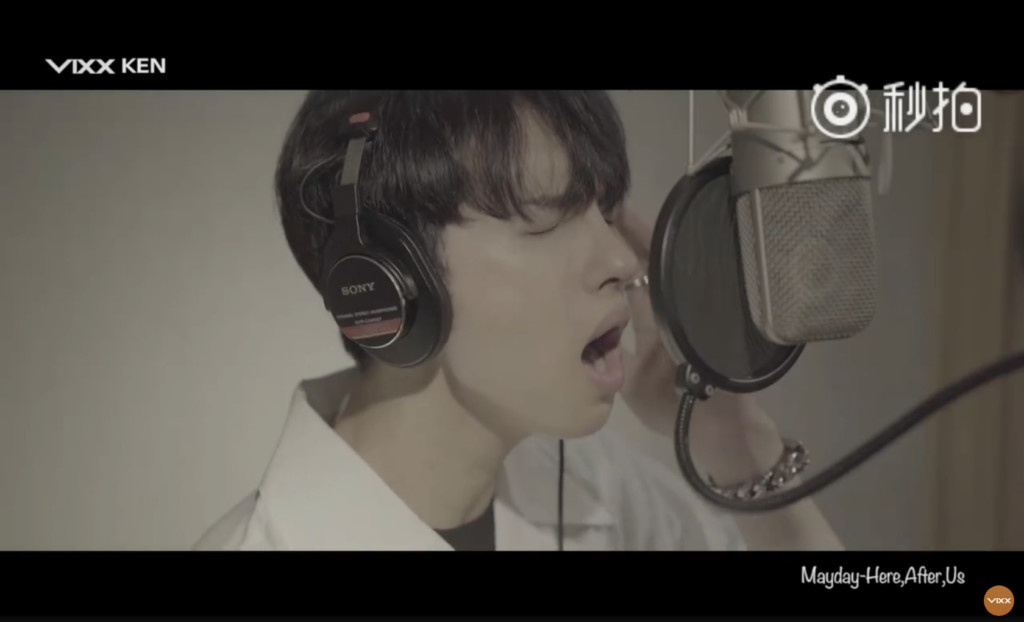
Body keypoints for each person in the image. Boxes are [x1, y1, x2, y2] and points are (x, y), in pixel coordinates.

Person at [194, 90, 843, 551]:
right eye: (550, 219)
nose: (622, 261)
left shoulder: (598, 489)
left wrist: (735, 445)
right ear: (387, 282)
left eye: (606, 213)